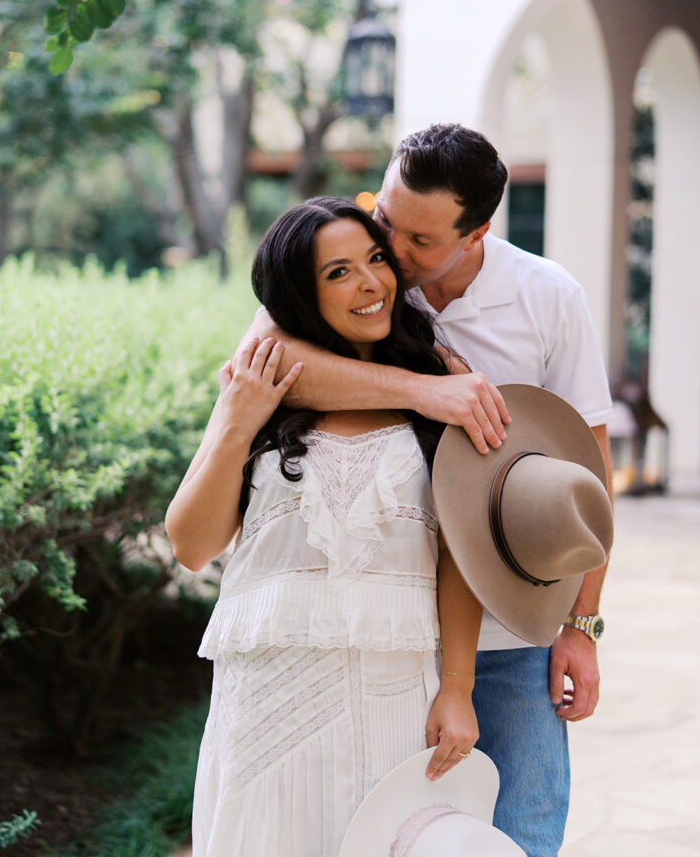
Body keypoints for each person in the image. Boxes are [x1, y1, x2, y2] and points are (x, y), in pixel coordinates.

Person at [242, 124, 613, 857]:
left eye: (416, 239)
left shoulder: (547, 297)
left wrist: (584, 626)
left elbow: (587, 475)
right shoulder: (355, 273)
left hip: (512, 626)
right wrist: (427, 389)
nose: (389, 252)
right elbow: (265, 362)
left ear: (475, 232)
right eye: (383, 218)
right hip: (384, 627)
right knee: (379, 832)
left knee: (522, 832)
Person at [165, 197, 484, 857]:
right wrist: (236, 421)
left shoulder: (442, 386)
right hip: (267, 695)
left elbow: (462, 557)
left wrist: (456, 688)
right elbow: (191, 545)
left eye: (375, 260)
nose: (370, 283)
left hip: (392, 694)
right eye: (337, 272)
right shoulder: (261, 381)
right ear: (300, 294)